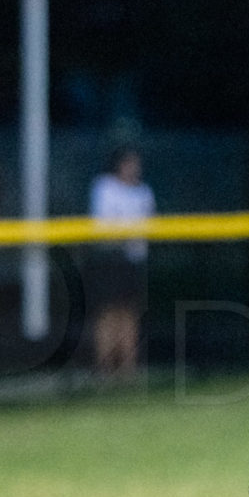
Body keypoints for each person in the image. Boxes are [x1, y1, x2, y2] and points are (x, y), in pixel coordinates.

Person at [86, 144, 154, 378]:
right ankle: (104, 368)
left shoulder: (144, 191)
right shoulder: (104, 187)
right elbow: (105, 224)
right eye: (128, 163)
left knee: (129, 313)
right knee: (107, 313)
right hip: (109, 258)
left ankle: (128, 369)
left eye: (136, 164)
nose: (133, 168)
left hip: (133, 260)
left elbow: (146, 227)